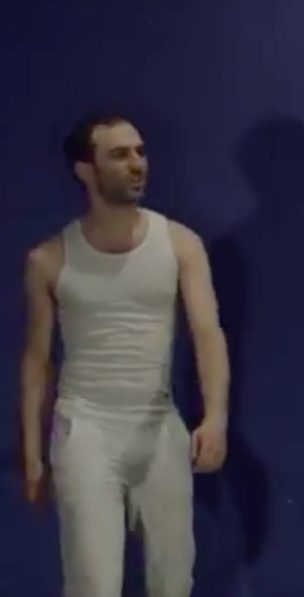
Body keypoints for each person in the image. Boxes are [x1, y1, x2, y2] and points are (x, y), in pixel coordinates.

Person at [19, 112, 229, 596]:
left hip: (159, 428)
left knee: (173, 583)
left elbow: (207, 333)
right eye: (119, 155)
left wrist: (215, 416)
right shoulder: (48, 260)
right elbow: (36, 361)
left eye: (140, 152)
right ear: (85, 169)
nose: (137, 164)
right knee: (93, 585)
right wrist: (32, 456)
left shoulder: (180, 244)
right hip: (86, 430)